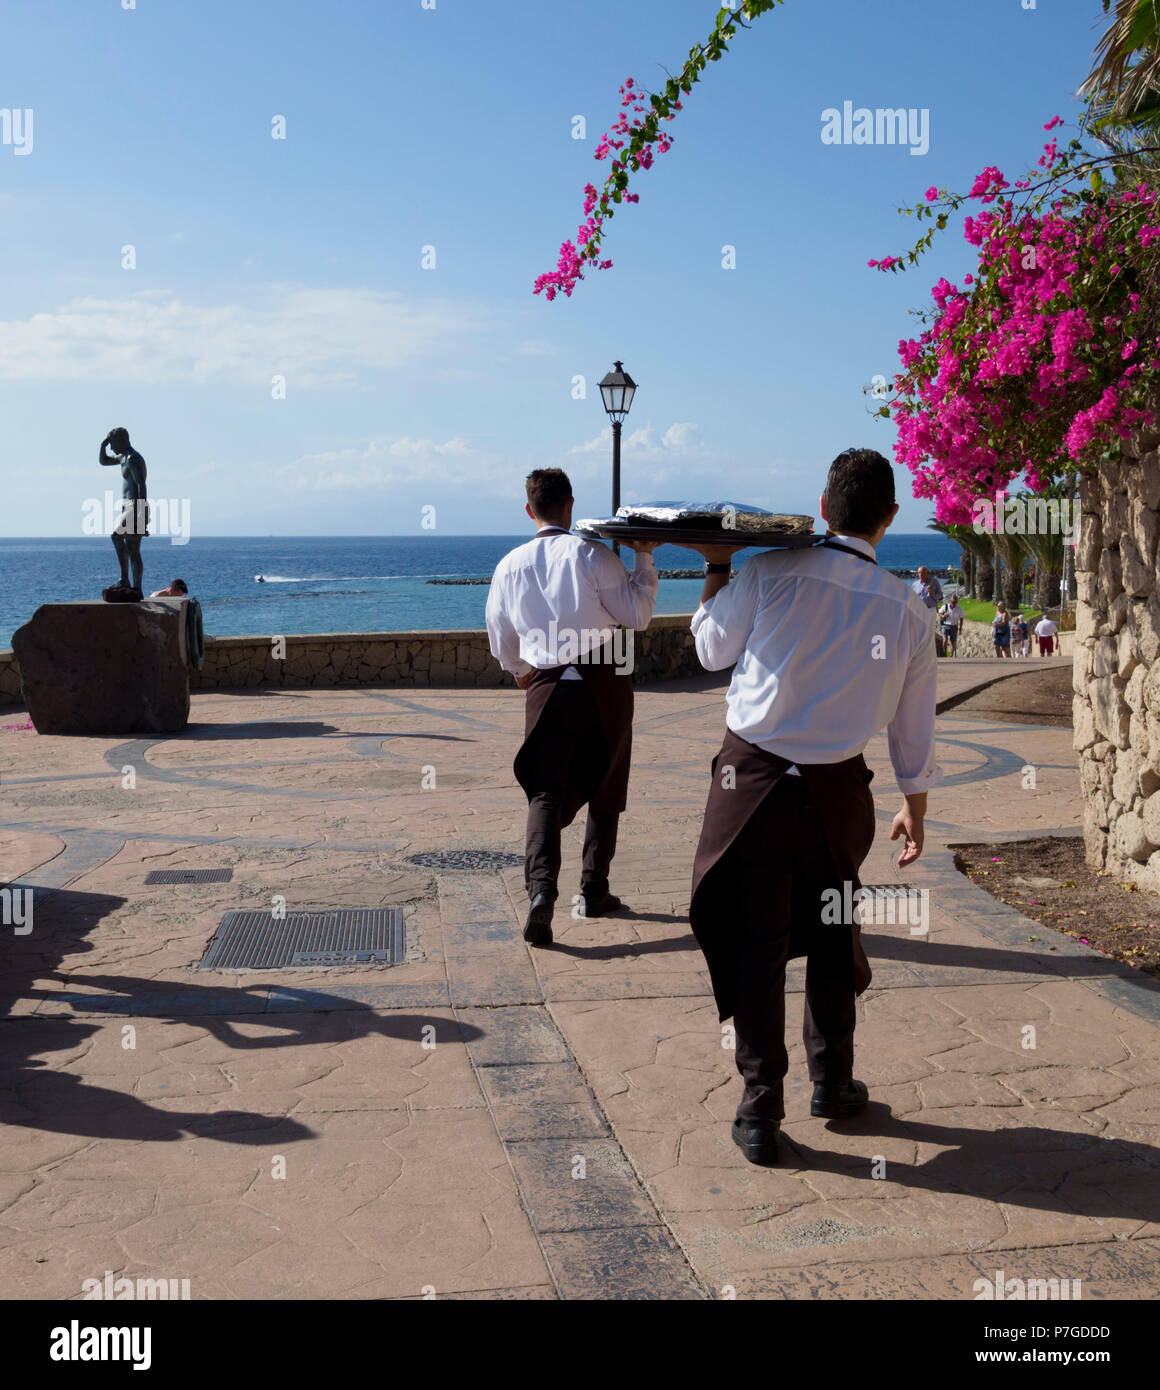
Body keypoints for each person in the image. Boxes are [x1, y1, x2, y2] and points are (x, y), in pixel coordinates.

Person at [686, 448, 938, 1166]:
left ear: (821, 509)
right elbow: (911, 728)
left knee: (757, 946)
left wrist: (715, 569)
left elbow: (709, 651)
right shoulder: (909, 608)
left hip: (752, 788)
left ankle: (761, 1111)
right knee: (831, 934)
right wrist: (913, 809)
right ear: (890, 518)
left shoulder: (766, 571)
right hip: (838, 797)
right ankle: (834, 1082)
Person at [486, 468, 658, 946]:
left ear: (529, 509)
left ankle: (541, 892)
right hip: (604, 677)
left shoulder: (509, 566)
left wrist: (523, 672)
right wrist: (644, 556)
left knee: (545, 792)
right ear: (570, 505)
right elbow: (638, 615)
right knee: (607, 784)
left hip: (544, 682)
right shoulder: (592, 555)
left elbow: (502, 638)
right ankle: (594, 888)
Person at [99, 427, 148, 596]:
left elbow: (141, 485)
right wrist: (102, 445)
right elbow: (104, 461)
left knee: (116, 535)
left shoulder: (134, 459)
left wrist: (142, 514)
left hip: (135, 506)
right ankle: (137, 588)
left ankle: (125, 579)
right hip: (127, 506)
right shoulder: (122, 458)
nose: (111, 448)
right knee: (133, 549)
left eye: (112, 444)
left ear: (121, 441)